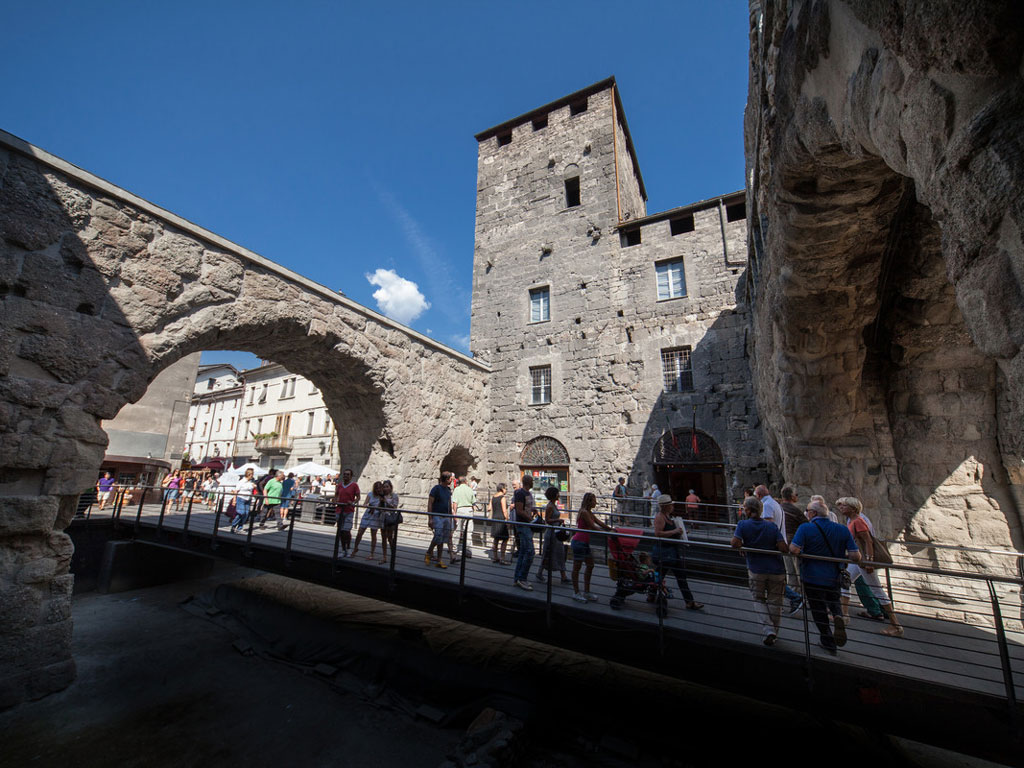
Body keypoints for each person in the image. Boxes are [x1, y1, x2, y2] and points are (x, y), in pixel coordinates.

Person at [789, 500, 861, 654]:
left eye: (807, 510)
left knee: (818, 609)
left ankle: (828, 641)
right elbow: (856, 556)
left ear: (813, 513)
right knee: (834, 599)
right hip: (834, 575)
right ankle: (837, 615)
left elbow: (794, 549)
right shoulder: (841, 529)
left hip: (812, 575)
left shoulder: (806, 528)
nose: (806, 513)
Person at [838, 497, 904, 637]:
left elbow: (868, 542)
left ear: (852, 508)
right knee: (845, 581)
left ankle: (896, 625)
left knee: (877, 590)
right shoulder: (853, 520)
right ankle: (843, 615)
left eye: (844, 506)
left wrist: (869, 562)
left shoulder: (859, 521)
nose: (841, 508)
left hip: (863, 561)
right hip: (858, 560)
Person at [731, 496, 789, 645]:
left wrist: (745, 546)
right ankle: (773, 632)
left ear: (749, 510)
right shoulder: (771, 526)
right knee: (776, 601)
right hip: (776, 569)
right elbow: (783, 547)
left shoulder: (743, 525)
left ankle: (769, 630)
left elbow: (735, 543)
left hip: (756, 568)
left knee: (758, 598)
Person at [652, 494, 704, 611]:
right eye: (670, 505)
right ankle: (689, 602)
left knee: (669, 576)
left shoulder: (667, 516)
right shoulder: (660, 517)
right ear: (666, 506)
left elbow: (669, 532)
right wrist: (675, 531)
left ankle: (689, 601)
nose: (672, 506)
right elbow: (658, 533)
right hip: (665, 553)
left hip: (671, 552)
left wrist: (681, 532)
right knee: (664, 576)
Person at [572, 492, 613, 602]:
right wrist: (607, 534)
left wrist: (611, 529)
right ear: (589, 501)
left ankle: (586, 591)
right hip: (579, 542)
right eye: (594, 500)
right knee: (577, 567)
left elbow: (599, 523)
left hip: (584, 542)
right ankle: (576, 592)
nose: (596, 502)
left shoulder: (589, 512)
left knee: (590, 565)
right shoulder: (584, 512)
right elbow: (592, 526)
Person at [778, 486, 806, 615]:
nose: (797, 496)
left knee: (790, 573)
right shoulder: (795, 510)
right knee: (799, 573)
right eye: (796, 494)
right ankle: (801, 598)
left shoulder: (779, 508)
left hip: (782, 544)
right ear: (792, 496)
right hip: (795, 545)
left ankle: (795, 598)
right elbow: (806, 525)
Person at [535, 486, 568, 584]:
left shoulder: (553, 505)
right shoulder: (550, 506)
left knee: (559, 553)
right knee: (549, 553)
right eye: (557, 493)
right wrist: (558, 520)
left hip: (555, 532)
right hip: (552, 533)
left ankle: (563, 576)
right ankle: (540, 573)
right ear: (554, 495)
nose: (559, 494)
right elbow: (547, 520)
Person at [512, 475, 537, 590]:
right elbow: (519, 510)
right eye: (532, 481)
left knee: (523, 551)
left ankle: (518, 578)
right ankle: (522, 578)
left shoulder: (528, 493)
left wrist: (534, 510)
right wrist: (530, 519)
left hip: (527, 524)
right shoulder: (520, 493)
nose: (533, 483)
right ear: (528, 482)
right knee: (530, 551)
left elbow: (528, 507)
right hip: (523, 525)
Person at [425, 471, 454, 568]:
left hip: (446, 516)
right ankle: (429, 552)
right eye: (450, 479)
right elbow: (430, 503)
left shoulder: (448, 490)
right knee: (438, 535)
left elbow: (449, 504)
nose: (452, 480)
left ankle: (439, 559)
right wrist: (430, 518)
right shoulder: (436, 489)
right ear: (446, 479)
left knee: (442, 538)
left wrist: (450, 517)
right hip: (437, 515)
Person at [352, 481, 383, 559]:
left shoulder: (382, 497)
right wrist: (368, 505)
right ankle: (355, 548)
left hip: (375, 516)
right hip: (368, 514)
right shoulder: (370, 494)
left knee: (373, 535)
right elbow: (365, 504)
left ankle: (372, 553)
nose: (378, 489)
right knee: (360, 532)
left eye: (379, 488)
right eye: (376, 488)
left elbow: (382, 507)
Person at [334, 469, 360, 557]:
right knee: (341, 531)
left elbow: (358, 497)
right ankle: (343, 549)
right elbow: (336, 494)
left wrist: (353, 502)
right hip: (339, 510)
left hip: (349, 510)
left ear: (351, 476)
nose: (345, 476)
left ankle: (348, 548)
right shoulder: (340, 485)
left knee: (346, 531)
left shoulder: (354, 485)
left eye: (348, 474)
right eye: (344, 474)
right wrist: (335, 500)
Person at [452, 474, 478, 559]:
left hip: (460, 510)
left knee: (457, 530)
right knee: (468, 532)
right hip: (469, 511)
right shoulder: (470, 490)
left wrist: (454, 513)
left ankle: (454, 548)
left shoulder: (456, 489)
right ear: (466, 481)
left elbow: (455, 503)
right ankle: (468, 551)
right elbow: (473, 502)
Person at [379, 480, 400, 565]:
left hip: (390, 517)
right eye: (384, 487)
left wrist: (385, 502)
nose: (385, 488)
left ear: (390, 487)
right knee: (383, 538)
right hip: (383, 517)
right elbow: (380, 506)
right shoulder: (382, 496)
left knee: (390, 537)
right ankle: (384, 557)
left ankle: (392, 555)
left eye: (387, 486)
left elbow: (394, 507)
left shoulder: (394, 496)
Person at [230, 468, 257, 533]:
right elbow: (236, 491)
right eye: (252, 474)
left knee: (246, 514)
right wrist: (234, 500)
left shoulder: (251, 482)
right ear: (249, 474)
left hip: (248, 499)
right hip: (241, 498)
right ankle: (234, 525)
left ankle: (240, 528)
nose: (252, 476)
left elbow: (253, 490)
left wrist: (254, 487)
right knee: (241, 513)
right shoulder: (241, 482)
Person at [489, 483, 511, 564]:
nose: (506, 490)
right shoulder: (502, 498)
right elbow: (504, 510)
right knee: (505, 539)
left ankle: (495, 557)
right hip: (501, 519)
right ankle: (502, 558)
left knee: (496, 539)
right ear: (502, 489)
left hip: (495, 518)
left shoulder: (493, 497)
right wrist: (507, 520)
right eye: (505, 488)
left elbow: (489, 508)